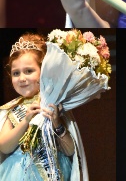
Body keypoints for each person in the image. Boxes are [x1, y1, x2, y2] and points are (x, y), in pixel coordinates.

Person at [0, 33, 85, 180]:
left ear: (43, 71)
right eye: (16, 73)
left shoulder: (55, 105)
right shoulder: (11, 109)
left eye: (29, 71)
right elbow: (4, 147)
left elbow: (70, 150)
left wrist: (57, 124)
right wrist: (25, 121)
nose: (22, 78)